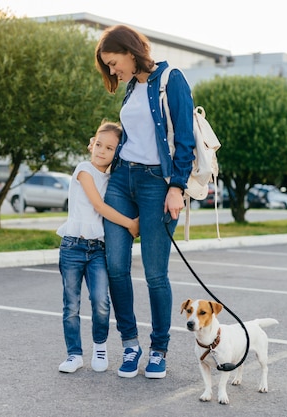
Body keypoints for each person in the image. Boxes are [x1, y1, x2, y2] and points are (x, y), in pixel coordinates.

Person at [94, 25, 196, 379]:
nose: (111, 71)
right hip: (122, 179)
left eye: (112, 62)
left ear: (130, 50)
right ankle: (130, 344)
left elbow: (184, 138)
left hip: (157, 184)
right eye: (107, 66)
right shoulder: (131, 89)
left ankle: (158, 349)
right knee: (116, 267)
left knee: (155, 274)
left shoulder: (171, 78)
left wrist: (177, 187)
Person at [56, 120, 140, 373]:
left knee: (101, 300)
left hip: (97, 250)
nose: (102, 151)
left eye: (110, 148)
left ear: (117, 153)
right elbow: (99, 206)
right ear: (91, 144)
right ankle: (74, 354)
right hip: (72, 247)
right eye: (99, 144)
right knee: (71, 304)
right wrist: (131, 224)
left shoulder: (113, 178)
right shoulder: (83, 170)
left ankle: (100, 347)